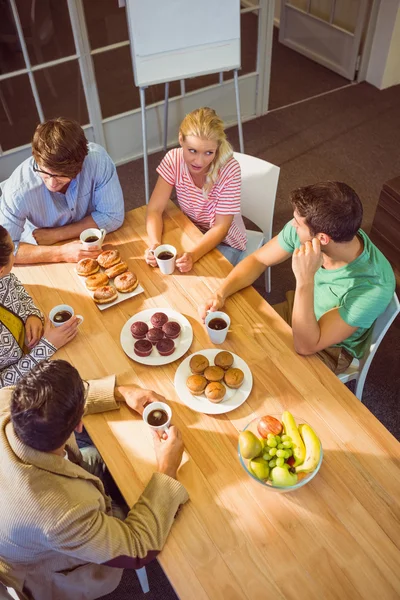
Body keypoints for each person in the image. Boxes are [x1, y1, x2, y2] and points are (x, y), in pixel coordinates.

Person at [0, 360, 188, 600]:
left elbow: (57, 400)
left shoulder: (7, 399)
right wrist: (167, 468)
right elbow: (137, 547)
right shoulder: (62, 515)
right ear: (79, 425)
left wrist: (121, 392)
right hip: (48, 564)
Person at [200, 182, 396, 374]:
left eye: (297, 223)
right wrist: (221, 293)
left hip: (328, 349)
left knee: (260, 375)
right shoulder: (312, 229)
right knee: (226, 337)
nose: (292, 225)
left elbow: (306, 345)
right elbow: (258, 260)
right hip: (296, 310)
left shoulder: (373, 285)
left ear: (322, 239)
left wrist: (305, 279)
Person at [0, 117, 125, 265]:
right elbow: (5, 252)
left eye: (61, 176)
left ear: (79, 166)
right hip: (41, 248)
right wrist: (60, 253)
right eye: (45, 173)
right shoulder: (17, 190)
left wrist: (57, 235)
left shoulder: (97, 162)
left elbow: (113, 216)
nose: (52, 183)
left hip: (86, 239)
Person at [145, 107, 247, 271]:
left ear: (217, 148)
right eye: (192, 150)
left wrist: (193, 255)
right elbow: (155, 209)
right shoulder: (173, 159)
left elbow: (221, 228)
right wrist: (155, 244)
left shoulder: (230, 169)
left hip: (227, 242)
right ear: (181, 139)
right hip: (193, 230)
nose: (199, 161)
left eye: (208, 153)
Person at [0, 225, 78, 387]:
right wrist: (47, 347)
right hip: (25, 387)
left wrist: (31, 314)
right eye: (13, 250)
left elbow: (14, 283)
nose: (15, 254)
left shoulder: (4, 278)